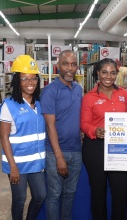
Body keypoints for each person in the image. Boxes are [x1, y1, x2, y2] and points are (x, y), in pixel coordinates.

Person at [80, 58, 127, 220]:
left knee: (121, 191)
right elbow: (84, 124)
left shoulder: (123, 94)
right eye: (104, 72)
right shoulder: (89, 97)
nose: (108, 76)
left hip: (118, 147)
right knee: (98, 191)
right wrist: (95, 130)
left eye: (113, 73)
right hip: (96, 147)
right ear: (97, 73)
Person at [0, 55, 46, 220]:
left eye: (33, 78)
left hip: (36, 163)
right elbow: (4, 137)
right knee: (19, 200)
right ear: (17, 81)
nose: (30, 82)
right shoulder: (9, 105)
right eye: (25, 78)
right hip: (17, 163)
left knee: (41, 196)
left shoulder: (40, 103)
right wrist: (13, 167)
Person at [40, 50, 82, 220]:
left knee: (70, 194)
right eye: (66, 64)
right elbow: (50, 126)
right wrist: (59, 157)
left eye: (73, 64)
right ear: (58, 66)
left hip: (76, 151)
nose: (69, 68)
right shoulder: (50, 91)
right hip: (55, 152)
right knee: (55, 194)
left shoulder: (79, 89)